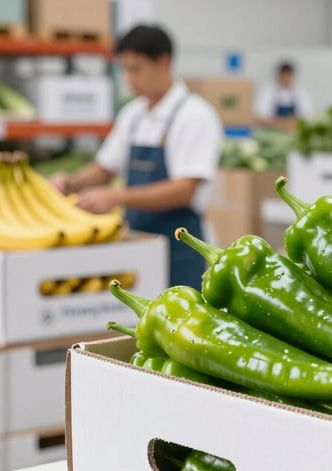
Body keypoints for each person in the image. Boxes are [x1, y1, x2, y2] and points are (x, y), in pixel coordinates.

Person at [50, 25, 221, 289]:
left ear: (164, 62)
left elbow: (184, 190)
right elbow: (104, 168)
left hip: (181, 250)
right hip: (137, 246)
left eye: (136, 69)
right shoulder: (133, 115)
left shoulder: (195, 116)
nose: (130, 79)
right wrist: (71, 183)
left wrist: (116, 197)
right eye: (125, 69)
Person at [254, 61, 313, 130]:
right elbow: (260, 116)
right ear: (279, 76)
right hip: (272, 131)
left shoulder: (301, 92)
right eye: (283, 75)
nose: (286, 78)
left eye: (288, 75)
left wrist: (290, 123)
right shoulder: (268, 91)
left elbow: (307, 116)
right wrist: (280, 124)